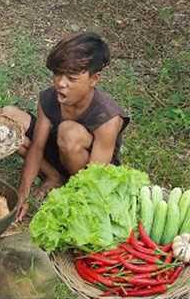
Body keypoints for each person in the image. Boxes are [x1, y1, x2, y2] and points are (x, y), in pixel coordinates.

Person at [13, 32, 129, 221]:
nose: (61, 83)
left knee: (69, 132)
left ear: (94, 79)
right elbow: (37, 147)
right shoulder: (49, 98)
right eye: (57, 74)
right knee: (11, 120)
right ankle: (54, 177)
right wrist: (22, 195)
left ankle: (69, 187)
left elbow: (95, 177)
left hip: (88, 170)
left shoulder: (107, 117)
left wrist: (76, 209)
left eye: (72, 78)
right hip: (59, 154)